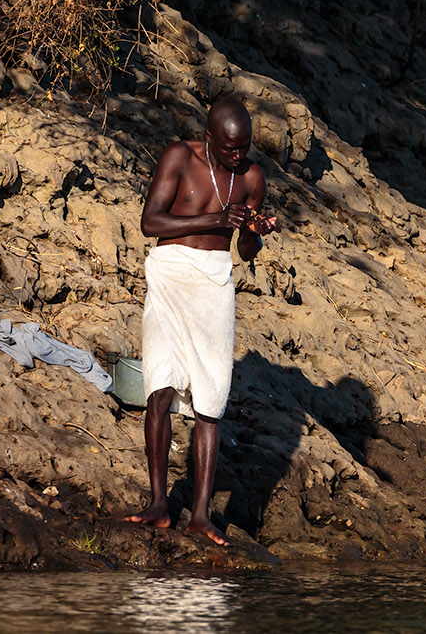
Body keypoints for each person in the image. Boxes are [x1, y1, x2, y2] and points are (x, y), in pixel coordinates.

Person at [125, 98, 278, 546]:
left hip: (214, 283)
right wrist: (216, 217)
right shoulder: (179, 156)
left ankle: (200, 516)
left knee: (210, 401)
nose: (238, 155)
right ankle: (158, 505)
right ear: (210, 138)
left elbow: (245, 254)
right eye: (230, 148)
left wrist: (252, 232)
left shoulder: (251, 177)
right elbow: (149, 222)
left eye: (244, 147)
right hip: (170, 274)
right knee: (160, 387)